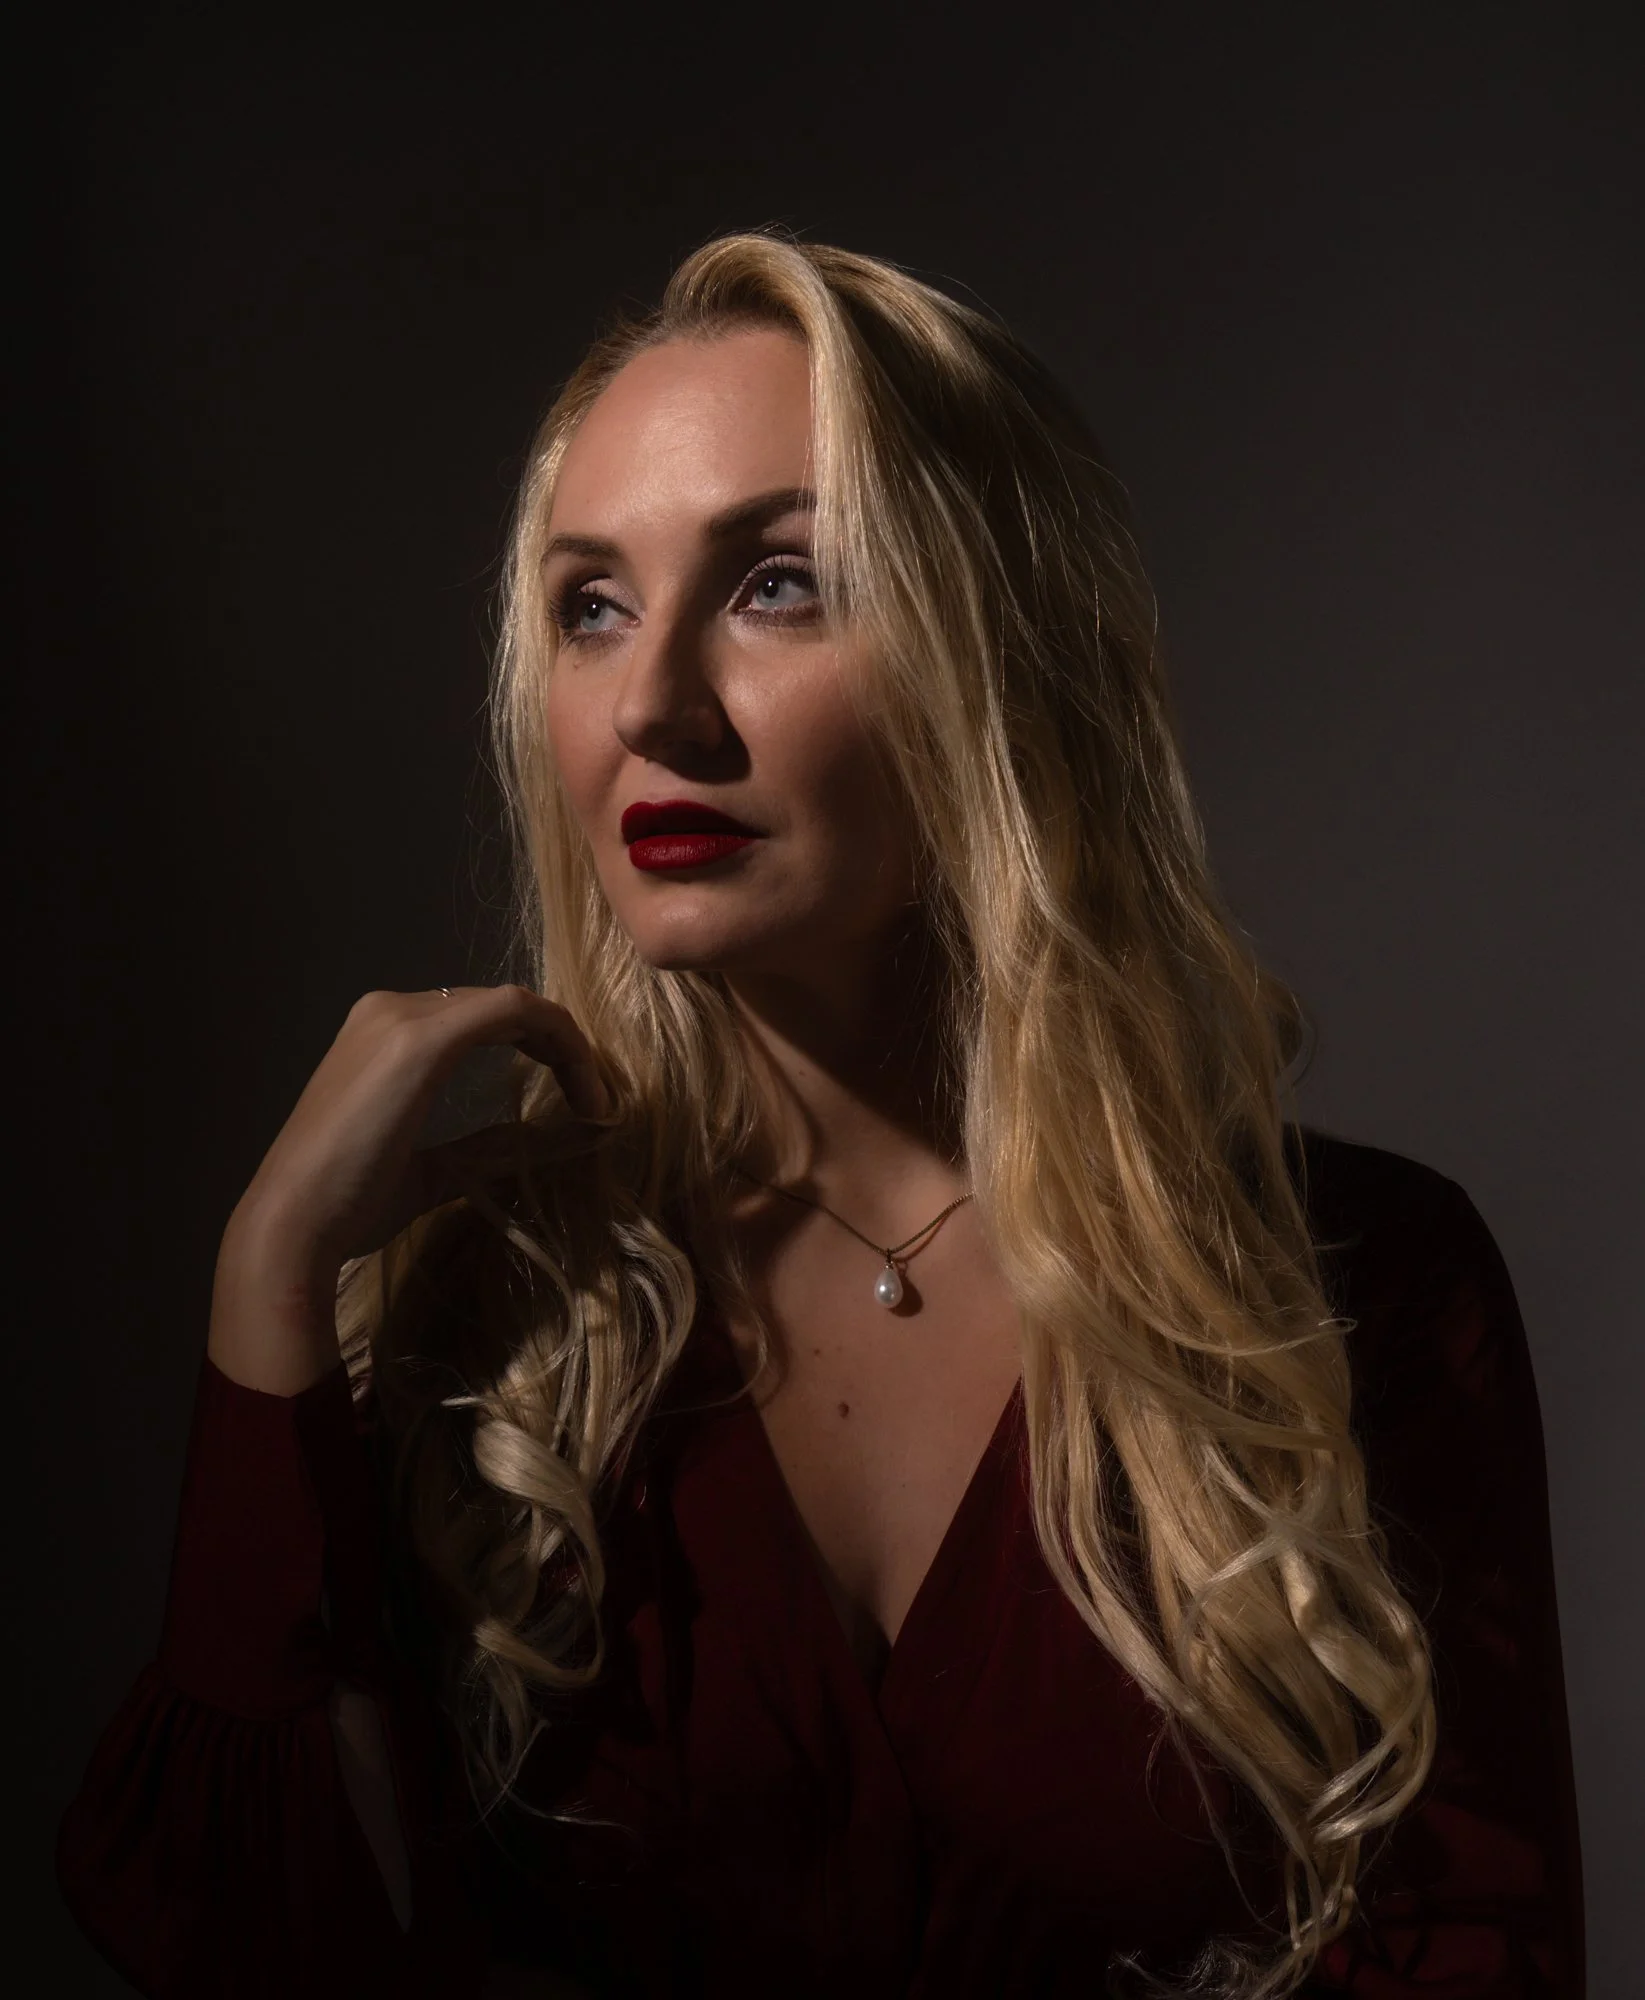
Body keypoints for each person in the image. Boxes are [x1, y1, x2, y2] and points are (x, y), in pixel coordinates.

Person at [56, 234, 1583, 1999]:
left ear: (998, 660)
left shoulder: (1353, 1291)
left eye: (777, 583)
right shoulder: (490, 1333)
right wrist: (266, 1284)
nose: (650, 704)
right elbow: (246, 1945)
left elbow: (1479, 1946)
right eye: (591, 607)